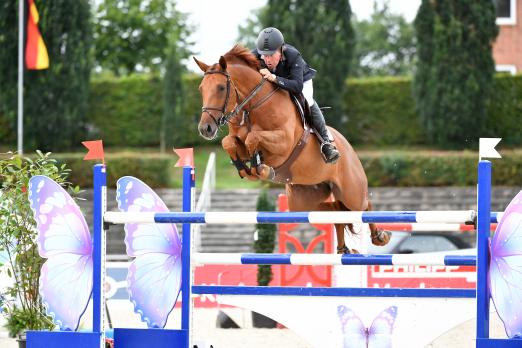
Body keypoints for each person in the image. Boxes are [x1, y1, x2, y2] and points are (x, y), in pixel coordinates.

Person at [252, 27, 340, 164]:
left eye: (271, 55)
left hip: (300, 82)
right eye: (264, 55)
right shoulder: (257, 54)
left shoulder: (293, 55)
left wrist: (274, 78)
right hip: (276, 80)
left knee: (308, 101)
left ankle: (326, 143)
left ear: (281, 50)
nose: (267, 59)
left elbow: (297, 86)